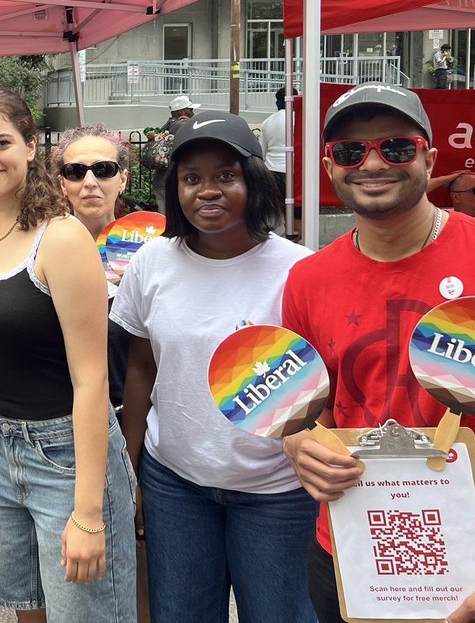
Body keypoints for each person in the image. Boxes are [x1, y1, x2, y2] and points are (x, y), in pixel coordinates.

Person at [279, 82, 475, 623]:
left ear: (430, 158)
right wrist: (300, 448)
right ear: (330, 166)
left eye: (395, 147)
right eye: (351, 152)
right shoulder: (307, 280)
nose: (373, 163)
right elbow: (305, 412)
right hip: (353, 544)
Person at [112, 110, 316, 623]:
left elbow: (321, 382)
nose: (208, 190)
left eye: (226, 175)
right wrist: (131, 470)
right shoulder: (152, 262)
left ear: (254, 178)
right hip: (175, 485)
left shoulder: (300, 269)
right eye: (192, 178)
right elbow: (141, 370)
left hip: (277, 493)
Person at [0, 87, 136, 623]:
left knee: (86, 614)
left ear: (31, 146)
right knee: (24, 608)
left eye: (0, 142)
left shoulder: (62, 239)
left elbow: (93, 380)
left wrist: (89, 513)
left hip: (64, 451)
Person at [53, 125, 131, 410]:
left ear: (123, 179)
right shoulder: (42, 249)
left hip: (132, 411)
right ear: (62, 184)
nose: (89, 181)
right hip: (59, 416)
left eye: (103, 169)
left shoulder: (151, 246)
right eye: (75, 172)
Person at [150, 95, 198, 214]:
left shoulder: (167, 126)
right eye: (190, 110)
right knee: (174, 220)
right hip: (171, 182)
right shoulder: (182, 126)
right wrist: (190, 123)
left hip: (161, 181)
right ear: (182, 111)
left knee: (164, 217)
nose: (193, 112)